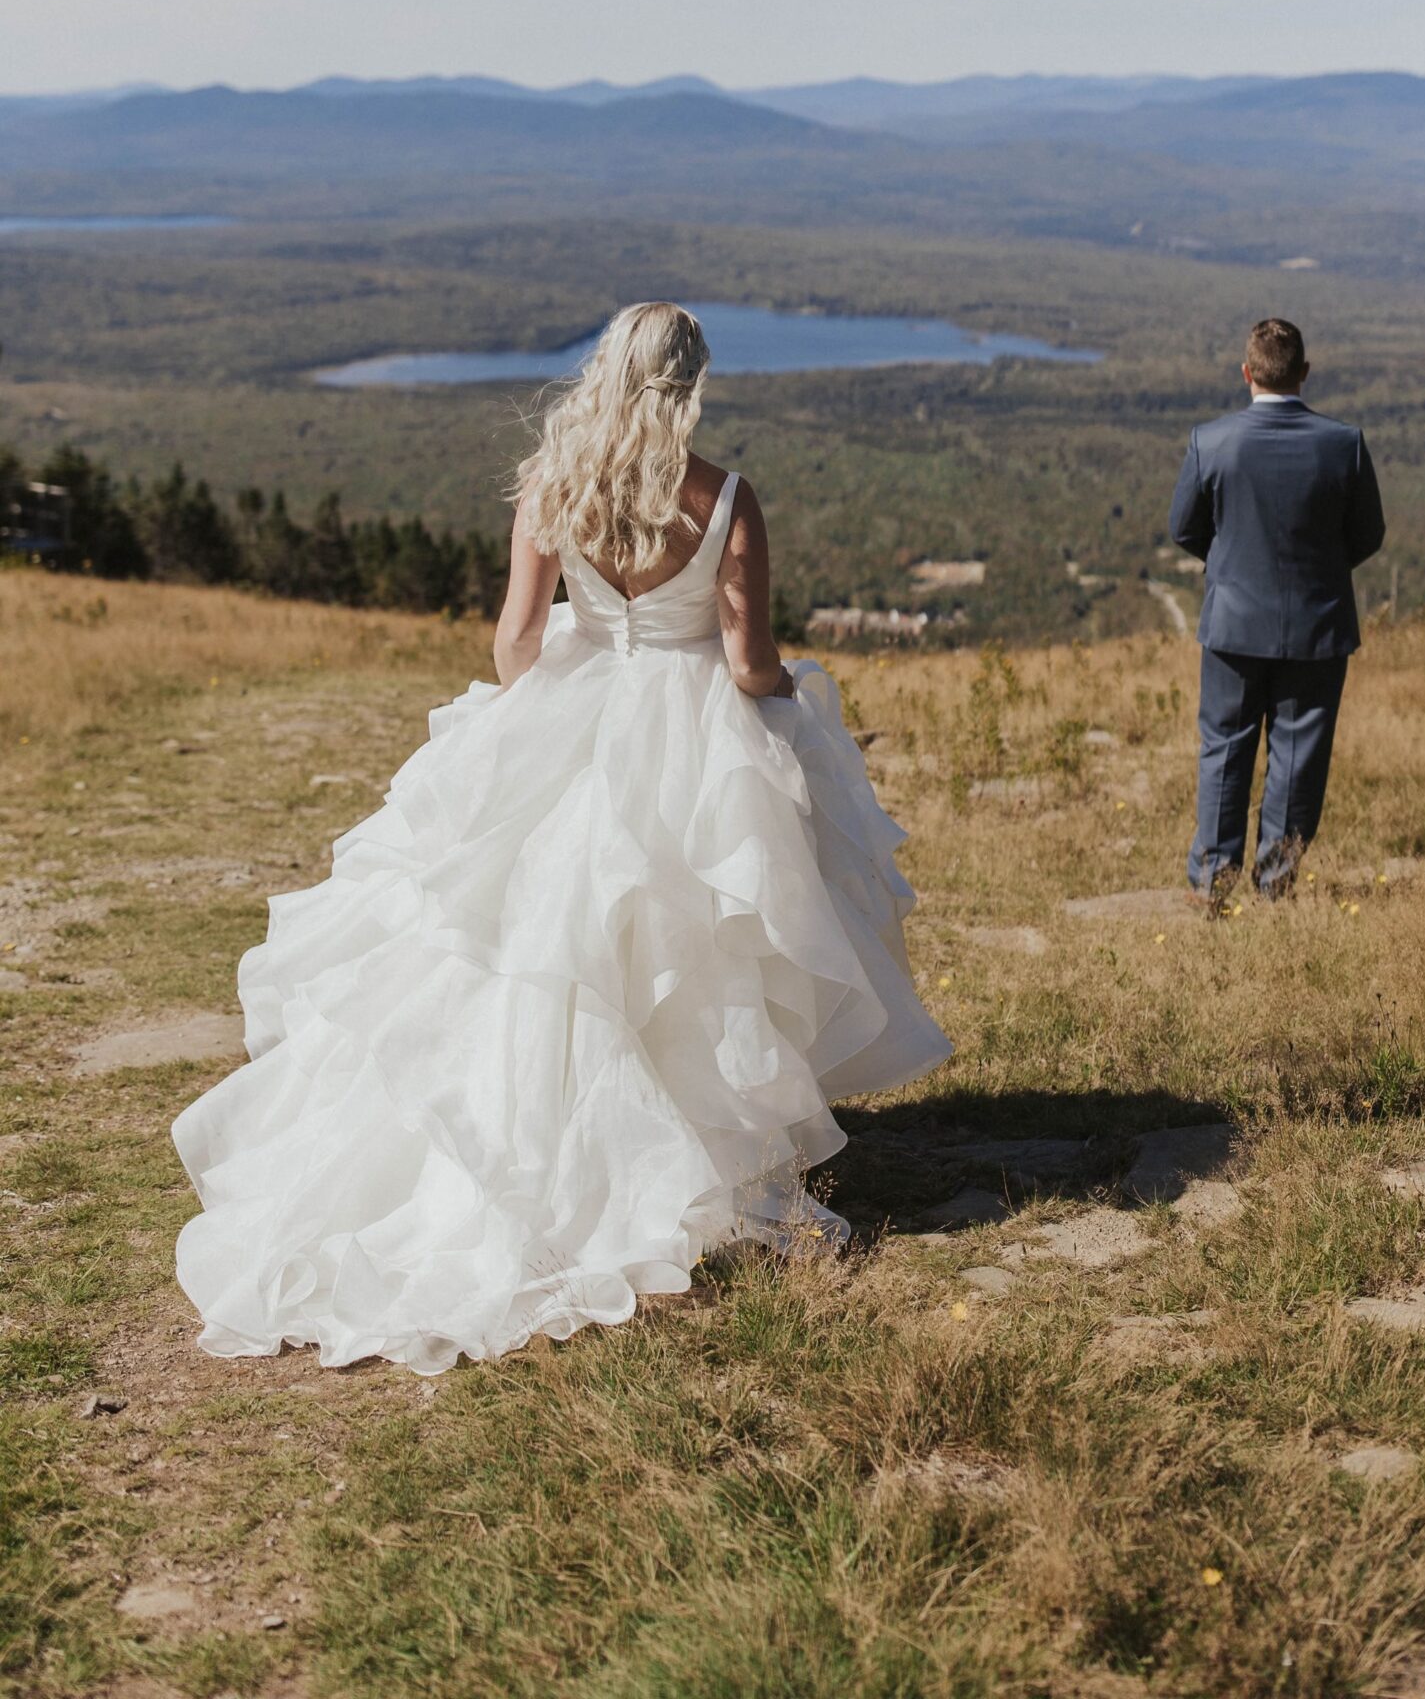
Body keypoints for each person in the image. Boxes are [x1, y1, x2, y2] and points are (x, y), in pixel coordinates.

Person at [172, 303, 951, 1375]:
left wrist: (559, 707)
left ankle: (544, 1163)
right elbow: (746, 664)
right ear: (688, 386)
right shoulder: (723, 499)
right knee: (689, 955)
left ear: (604, 373)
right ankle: (690, 1171)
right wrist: (797, 702)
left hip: (577, 707)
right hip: (692, 735)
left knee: (547, 951)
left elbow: (514, 644)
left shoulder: (554, 487)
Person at [1168, 317, 1384, 903]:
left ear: (1247, 373)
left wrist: (1231, 567)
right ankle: (1275, 883)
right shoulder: (1344, 445)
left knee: (1225, 750)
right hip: (1317, 628)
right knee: (1298, 759)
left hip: (1233, 625)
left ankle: (1213, 882)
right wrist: (1319, 576)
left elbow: (1184, 529)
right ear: (1304, 374)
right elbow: (1368, 535)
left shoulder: (1209, 442)